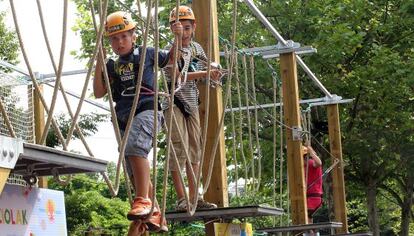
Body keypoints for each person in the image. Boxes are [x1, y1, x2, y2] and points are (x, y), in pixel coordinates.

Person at [93, 11, 183, 233]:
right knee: (131, 168)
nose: (119, 42)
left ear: (134, 36)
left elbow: (171, 58)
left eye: (124, 36)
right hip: (124, 117)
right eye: (114, 39)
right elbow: (98, 92)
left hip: (147, 109)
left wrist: (178, 38)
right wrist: (99, 62)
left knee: (135, 147)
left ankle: (143, 199)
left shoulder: (147, 53)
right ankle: (154, 213)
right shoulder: (113, 66)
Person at [162, 5, 223, 211]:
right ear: (172, 29)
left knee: (195, 150)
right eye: (180, 29)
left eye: (187, 28)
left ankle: (195, 197)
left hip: (191, 102)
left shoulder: (197, 49)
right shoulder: (169, 51)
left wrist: (214, 71)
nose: (185, 33)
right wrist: (205, 74)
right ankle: (181, 198)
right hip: (173, 102)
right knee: (179, 148)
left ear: (194, 26)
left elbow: (207, 67)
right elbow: (177, 77)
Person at [303, 145, 323, 224]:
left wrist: (311, 152)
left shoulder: (310, 163)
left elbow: (319, 163)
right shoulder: (302, 167)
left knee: (304, 217)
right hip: (310, 197)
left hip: (313, 197)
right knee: (308, 218)